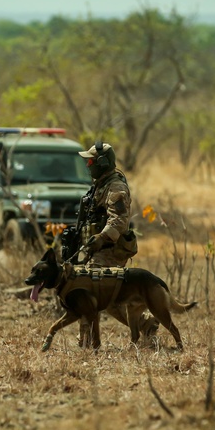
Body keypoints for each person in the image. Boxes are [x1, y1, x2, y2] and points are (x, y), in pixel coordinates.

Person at [71, 139, 158, 338]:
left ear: (102, 163)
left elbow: (119, 220)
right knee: (108, 299)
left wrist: (101, 238)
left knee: (89, 288)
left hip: (111, 248)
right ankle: (145, 324)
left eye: (91, 162)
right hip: (98, 249)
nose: (87, 166)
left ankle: (87, 341)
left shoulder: (116, 188)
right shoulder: (100, 186)